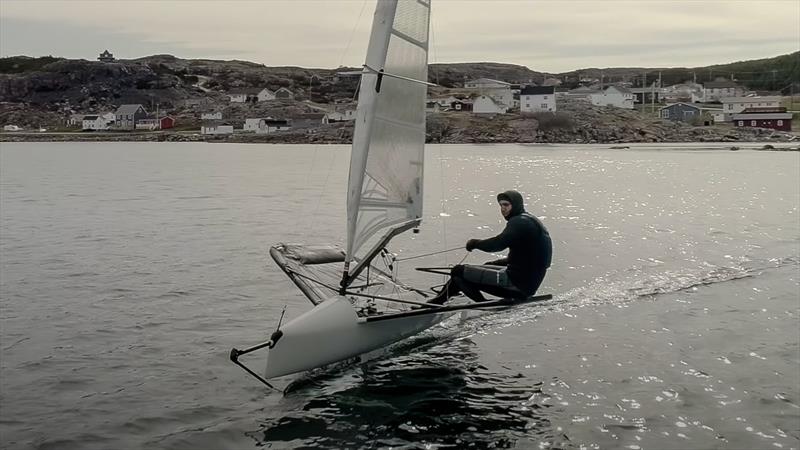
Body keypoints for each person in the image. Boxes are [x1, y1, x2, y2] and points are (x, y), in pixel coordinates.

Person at [428, 190, 552, 304]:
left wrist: (475, 243)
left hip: (516, 285)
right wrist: (497, 262)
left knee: (458, 271)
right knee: (484, 266)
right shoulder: (529, 220)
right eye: (501, 205)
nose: (503, 209)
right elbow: (528, 257)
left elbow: (497, 244)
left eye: (506, 205)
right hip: (528, 284)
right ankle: (440, 299)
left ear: (516, 205)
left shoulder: (519, 223)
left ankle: (481, 303)